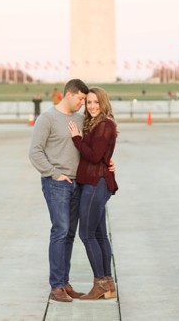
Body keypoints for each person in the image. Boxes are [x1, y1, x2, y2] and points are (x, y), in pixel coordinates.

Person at [28, 78, 89, 303]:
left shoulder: (81, 119)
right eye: (81, 98)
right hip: (57, 183)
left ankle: (64, 282)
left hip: (77, 183)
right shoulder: (47, 119)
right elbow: (35, 152)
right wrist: (55, 174)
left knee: (70, 235)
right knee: (60, 231)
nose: (83, 103)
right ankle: (56, 286)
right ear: (69, 94)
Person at [67, 87, 119, 301]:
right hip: (95, 182)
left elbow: (96, 156)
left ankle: (99, 283)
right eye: (88, 102)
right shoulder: (95, 124)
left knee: (86, 235)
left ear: (104, 103)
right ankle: (108, 284)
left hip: (96, 184)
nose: (92, 106)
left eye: (96, 102)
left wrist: (77, 139)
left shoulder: (105, 125)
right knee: (99, 235)